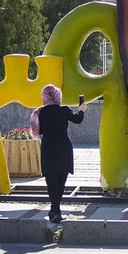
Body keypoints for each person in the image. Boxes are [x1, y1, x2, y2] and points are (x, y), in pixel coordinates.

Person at [30, 84, 87, 223]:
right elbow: (78, 120)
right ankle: (55, 210)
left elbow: (39, 131)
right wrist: (82, 110)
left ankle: (55, 210)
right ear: (57, 96)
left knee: (51, 182)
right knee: (61, 181)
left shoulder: (40, 113)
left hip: (48, 149)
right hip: (63, 148)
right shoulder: (64, 110)